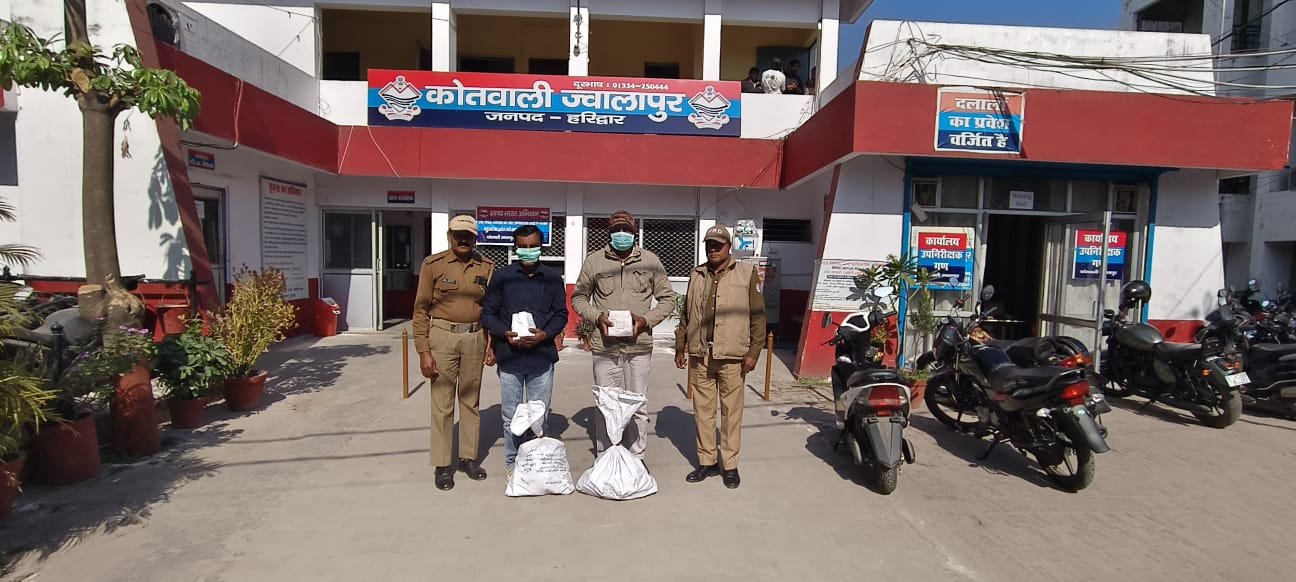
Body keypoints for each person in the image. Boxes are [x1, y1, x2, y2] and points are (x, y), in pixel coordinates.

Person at [571, 210, 676, 459]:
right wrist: (597, 317)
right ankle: (606, 457)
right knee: (606, 405)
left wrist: (646, 320)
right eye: (616, 230)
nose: (621, 234)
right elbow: (579, 298)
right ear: (609, 233)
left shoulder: (650, 261)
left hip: (638, 347)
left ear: (634, 233)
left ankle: (635, 459)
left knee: (637, 405)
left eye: (626, 230)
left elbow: (668, 298)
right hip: (605, 347)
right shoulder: (594, 261)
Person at [674, 225, 766, 490]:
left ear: (729, 247)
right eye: (709, 245)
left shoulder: (747, 273)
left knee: (731, 413)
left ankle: (730, 465)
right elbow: (686, 314)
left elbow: (758, 316)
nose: (713, 249)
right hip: (701, 355)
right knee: (702, 412)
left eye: (718, 245)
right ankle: (708, 462)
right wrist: (681, 346)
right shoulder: (696, 274)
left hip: (733, 356)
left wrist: (754, 352)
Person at [412, 214, 495, 491]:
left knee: (470, 401)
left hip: (475, 337)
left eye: (468, 235)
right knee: (442, 403)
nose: (463, 239)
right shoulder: (433, 265)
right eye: (458, 234)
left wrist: (491, 344)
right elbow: (420, 310)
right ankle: (442, 464)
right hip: (443, 337)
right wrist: (424, 351)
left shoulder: (487, 267)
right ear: (449, 236)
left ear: (475, 238)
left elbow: (491, 308)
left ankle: (468, 459)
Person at [480, 224, 569, 477]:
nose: (528, 250)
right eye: (523, 247)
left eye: (533, 246)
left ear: (541, 247)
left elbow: (561, 314)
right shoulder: (502, 277)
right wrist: (503, 332)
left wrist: (545, 334)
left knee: (538, 415)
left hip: (541, 357)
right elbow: (488, 313)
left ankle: (535, 462)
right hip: (510, 357)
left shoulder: (552, 278)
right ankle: (513, 463)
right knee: (511, 415)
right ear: (515, 248)